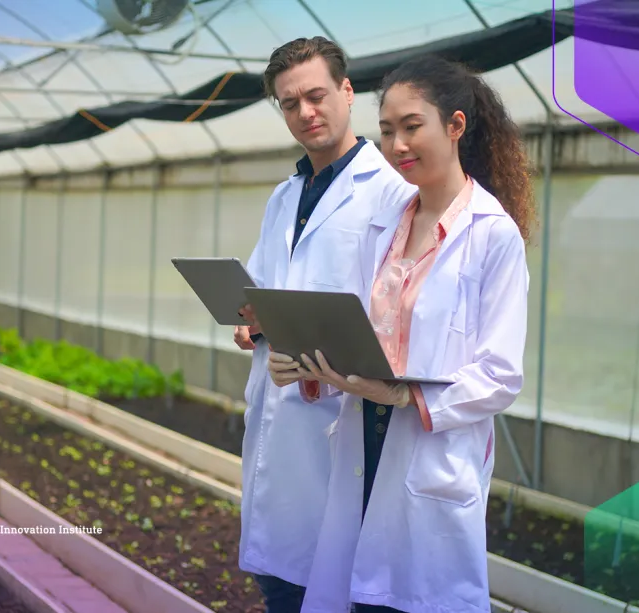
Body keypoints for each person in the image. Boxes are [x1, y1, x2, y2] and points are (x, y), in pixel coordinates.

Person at [283, 54, 535, 613]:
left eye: (412, 126)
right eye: (388, 131)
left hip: (429, 450)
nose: (397, 144)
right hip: (363, 440)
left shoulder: (492, 236)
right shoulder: (388, 224)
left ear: (455, 125)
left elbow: (500, 376)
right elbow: (360, 333)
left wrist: (401, 394)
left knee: (411, 599)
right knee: (357, 595)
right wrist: (312, 366)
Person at [232, 37, 418, 613]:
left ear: (346, 91)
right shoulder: (285, 197)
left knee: (332, 578)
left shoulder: (392, 195)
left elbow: (397, 315)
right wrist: (254, 326)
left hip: (342, 417)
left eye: (316, 96)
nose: (305, 113)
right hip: (278, 404)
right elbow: (266, 288)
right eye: (289, 104)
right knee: (278, 574)